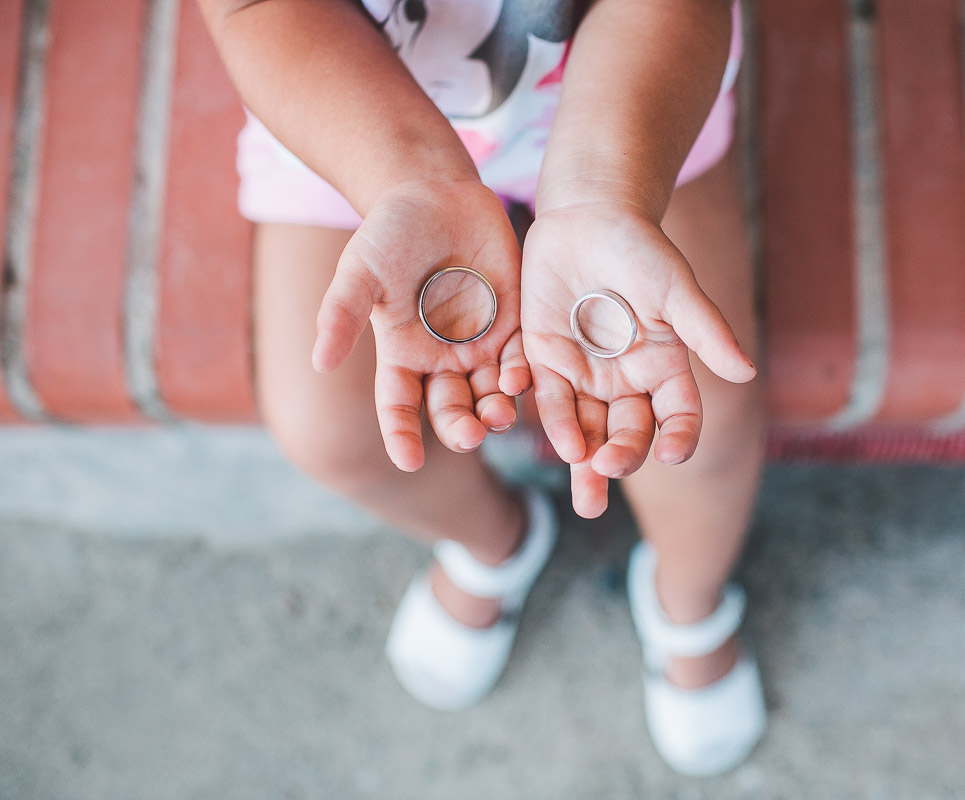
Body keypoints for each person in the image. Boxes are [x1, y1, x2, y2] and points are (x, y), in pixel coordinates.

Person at [199, 0, 766, 776]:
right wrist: (406, 177)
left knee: (698, 411)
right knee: (329, 427)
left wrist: (605, 190)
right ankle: (492, 541)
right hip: (354, 122)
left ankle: (690, 602)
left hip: (630, 107)